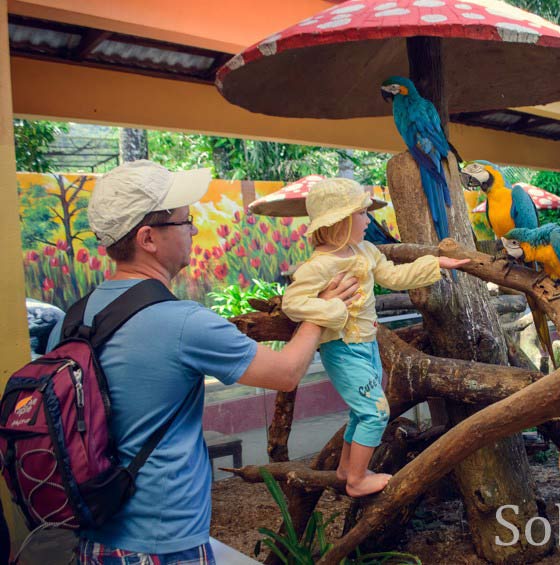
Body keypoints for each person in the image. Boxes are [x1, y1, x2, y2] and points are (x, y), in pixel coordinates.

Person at [45, 160, 359, 564]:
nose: (193, 230)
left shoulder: (71, 321)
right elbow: (286, 373)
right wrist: (321, 312)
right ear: (148, 238)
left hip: (95, 541)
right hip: (163, 547)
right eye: (184, 221)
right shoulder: (183, 323)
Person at [281, 178, 468, 497]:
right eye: (362, 214)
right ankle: (356, 480)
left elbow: (394, 277)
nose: (369, 220)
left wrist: (434, 263)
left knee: (362, 410)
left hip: (367, 346)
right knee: (375, 411)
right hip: (341, 350)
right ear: (339, 221)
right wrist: (334, 311)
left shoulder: (365, 251)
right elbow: (292, 303)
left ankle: (345, 470)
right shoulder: (319, 266)